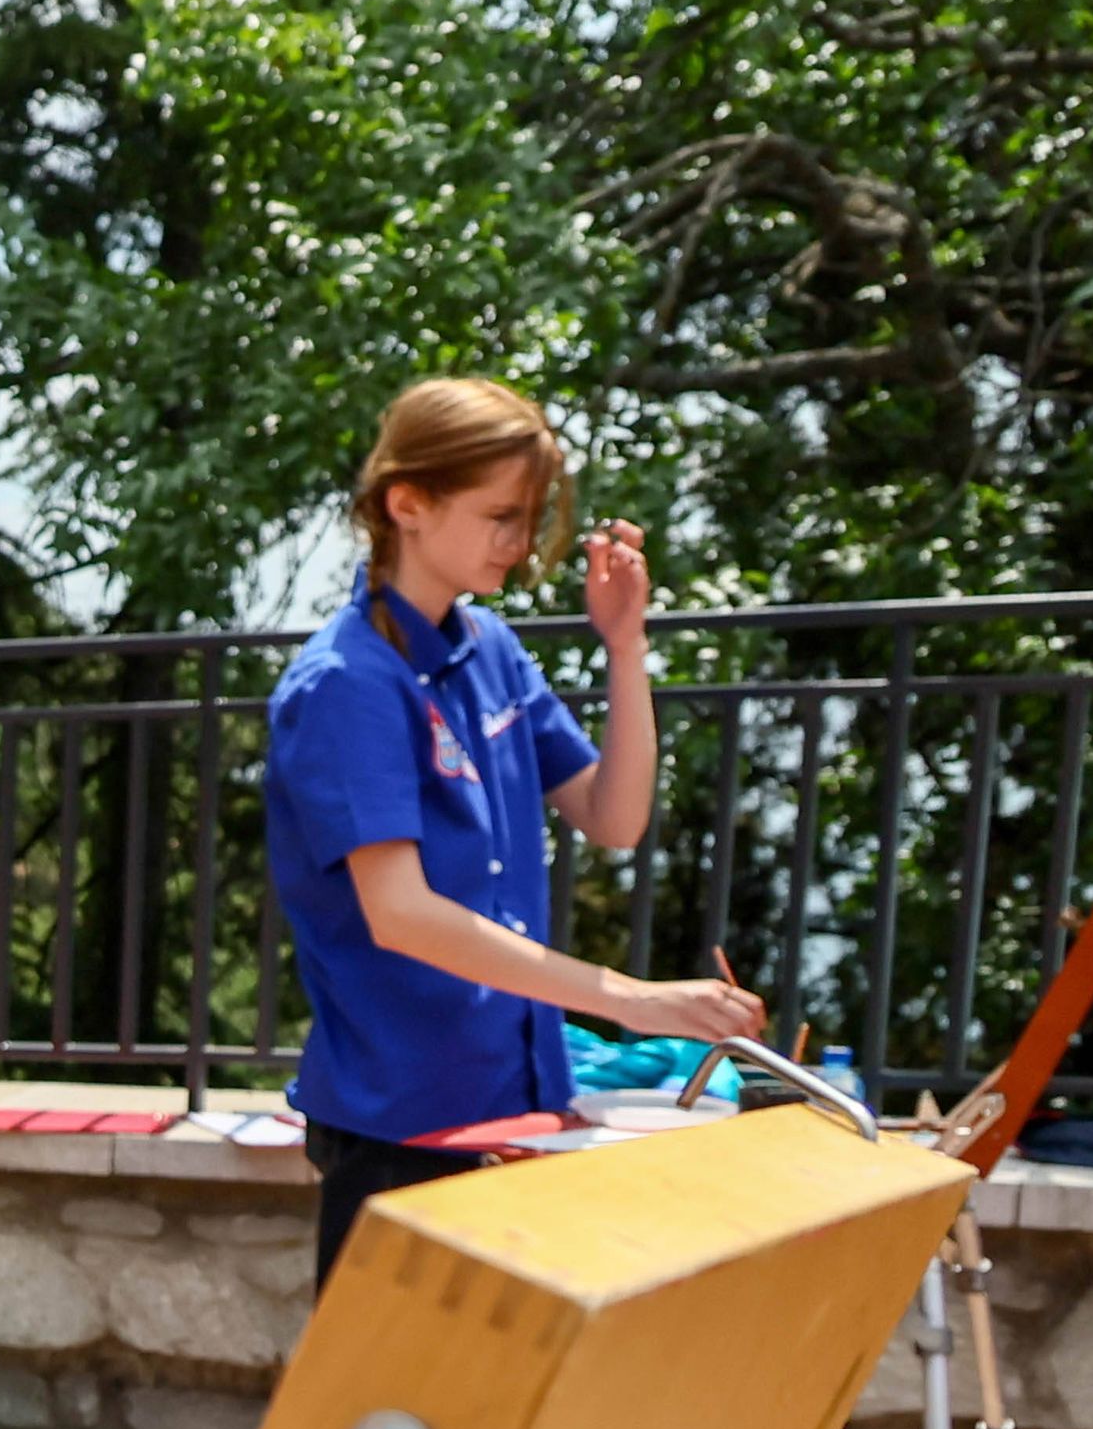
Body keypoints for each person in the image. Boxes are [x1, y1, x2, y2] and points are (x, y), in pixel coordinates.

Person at [265, 376, 766, 1283]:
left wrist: (625, 646)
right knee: (388, 1419)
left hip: (516, 1105)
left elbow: (614, 817)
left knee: (491, 1421)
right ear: (406, 503)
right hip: (400, 1127)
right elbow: (402, 916)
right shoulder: (346, 682)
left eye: (529, 516)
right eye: (501, 515)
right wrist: (629, 996)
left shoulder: (489, 649)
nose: (522, 543)